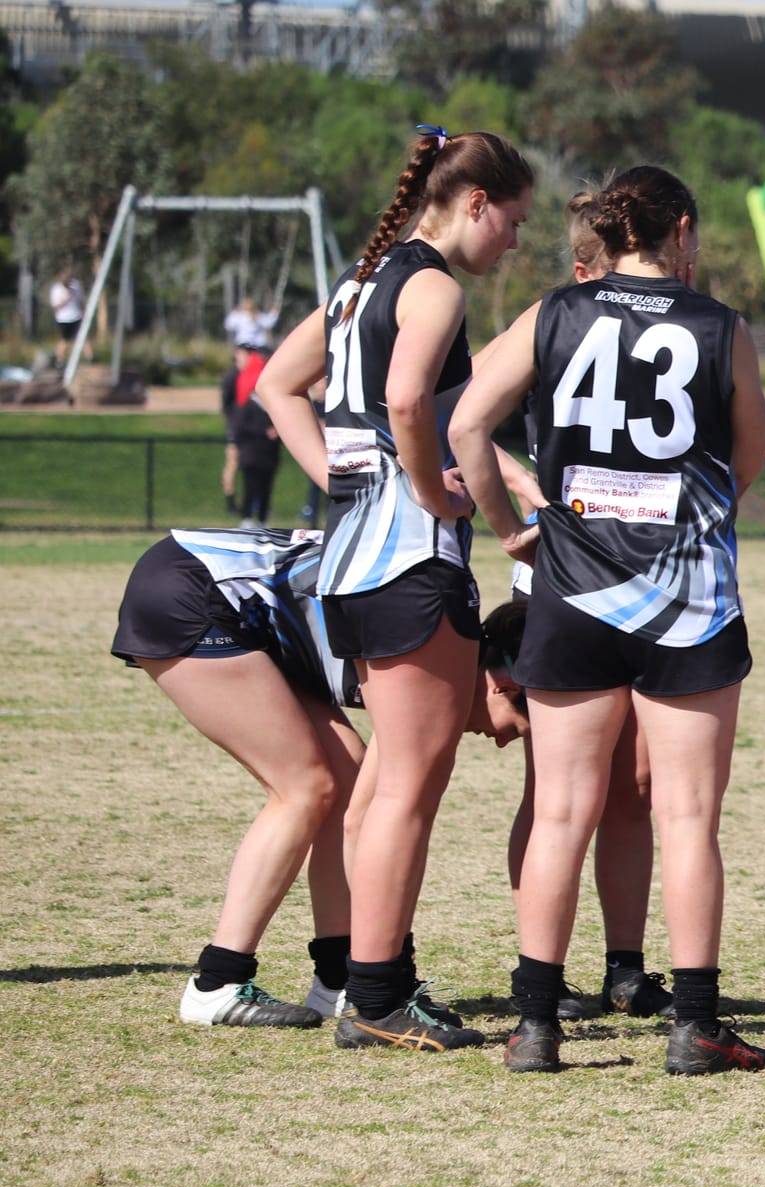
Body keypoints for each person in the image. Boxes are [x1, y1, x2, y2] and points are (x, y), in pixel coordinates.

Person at [451, 165, 765, 1076]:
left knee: (559, 809)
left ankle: (535, 1024)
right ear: (681, 229)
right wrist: (694, 509)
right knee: (688, 817)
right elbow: (751, 448)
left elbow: (469, 421)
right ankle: (697, 1024)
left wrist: (513, 527)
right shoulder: (719, 326)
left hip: (573, 587)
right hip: (691, 598)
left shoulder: (557, 311)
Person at [261, 124, 534, 1053]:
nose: (514, 243)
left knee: (383, 782)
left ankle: (368, 981)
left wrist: (351, 482)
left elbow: (278, 389)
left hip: (352, 560)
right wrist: (425, 490)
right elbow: (411, 402)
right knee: (408, 787)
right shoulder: (432, 287)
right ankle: (377, 995)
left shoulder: (358, 284)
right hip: (409, 563)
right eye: (515, 222)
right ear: (474, 202)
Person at [111, 527, 365, 1030]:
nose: (500, 739)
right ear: (501, 683)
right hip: (195, 589)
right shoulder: (428, 651)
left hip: (234, 604)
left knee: (349, 775)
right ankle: (217, 984)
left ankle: (337, 980)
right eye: (513, 725)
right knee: (304, 787)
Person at [226, 343, 280, 527]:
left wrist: (277, 429)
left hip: (268, 450)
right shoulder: (245, 396)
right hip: (251, 448)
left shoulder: (271, 399)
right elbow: (238, 419)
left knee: (266, 486)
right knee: (250, 484)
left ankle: (263, 517)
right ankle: (247, 515)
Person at [49, 269, 84, 363]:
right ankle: (59, 360)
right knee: (65, 340)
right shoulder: (56, 289)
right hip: (64, 319)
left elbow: (80, 300)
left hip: (76, 316)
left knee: (84, 337)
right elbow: (55, 306)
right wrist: (65, 299)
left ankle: (91, 359)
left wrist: (82, 311)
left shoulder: (76, 286)